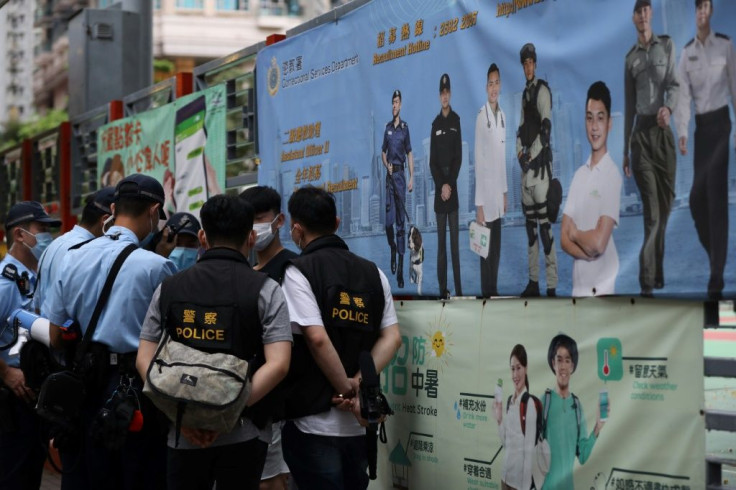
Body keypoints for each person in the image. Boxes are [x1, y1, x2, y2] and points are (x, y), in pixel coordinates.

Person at [137, 194, 292, 490]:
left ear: (202, 236)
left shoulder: (169, 288)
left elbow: (145, 359)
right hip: (245, 431)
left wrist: (184, 415)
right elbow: (279, 363)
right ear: (249, 237)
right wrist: (225, 412)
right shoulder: (266, 289)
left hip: (183, 433)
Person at [45, 174, 176, 490]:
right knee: (139, 473)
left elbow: (54, 335)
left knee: (89, 474)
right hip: (135, 388)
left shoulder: (73, 257)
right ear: (154, 211)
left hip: (83, 383)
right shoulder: (156, 267)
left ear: (115, 208)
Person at [280, 186, 401, 490]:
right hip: (360, 425)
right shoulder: (374, 273)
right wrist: (359, 384)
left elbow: (316, 338)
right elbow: (392, 338)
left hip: (313, 422)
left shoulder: (298, 271)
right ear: (336, 223)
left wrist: (346, 387)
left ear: (296, 230)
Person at [674, 0, 736, 299]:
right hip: (701, 129)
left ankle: (716, 277)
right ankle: (717, 259)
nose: (701, 12)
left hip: (722, 123)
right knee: (697, 200)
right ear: (695, 12)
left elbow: (735, 87)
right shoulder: (687, 54)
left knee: (716, 198)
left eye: (706, 7)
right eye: (697, 7)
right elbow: (683, 98)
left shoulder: (725, 46)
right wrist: (683, 132)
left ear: (710, 12)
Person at [239, 186, 296, 490]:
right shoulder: (250, 271)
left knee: (271, 480)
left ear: (280, 221)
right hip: (254, 399)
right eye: (248, 221)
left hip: (277, 401)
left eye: (260, 219)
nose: (255, 229)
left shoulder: (290, 270)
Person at [0, 201, 60, 490]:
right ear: (19, 235)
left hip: (35, 395)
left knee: (30, 475)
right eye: (41, 229)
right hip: (12, 398)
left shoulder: (36, 277)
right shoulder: (5, 281)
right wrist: (6, 373)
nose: (47, 235)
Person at [624, 0, 679, 297]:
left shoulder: (666, 47)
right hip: (641, 137)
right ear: (633, 18)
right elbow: (628, 106)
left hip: (663, 134)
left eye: (647, 10)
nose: (643, 16)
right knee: (652, 213)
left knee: (666, 209)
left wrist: (668, 108)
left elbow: (675, 84)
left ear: (651, 14)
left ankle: (656, 274)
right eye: (638, 11)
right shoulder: (629, 58)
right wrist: (623, 151)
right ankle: (646, 282)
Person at [561, 81, 622, 297]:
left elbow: (598, 243)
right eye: (589, 118)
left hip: (604, 293)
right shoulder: (578, 176)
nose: (594, 126)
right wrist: (586, 252)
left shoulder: (612, 175)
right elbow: (563, 239)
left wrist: (575, 233)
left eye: (600, 118)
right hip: (578, 292)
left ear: (609, 124)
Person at [516, 43, 557, 298]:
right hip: (527, 172)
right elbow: (520, 130)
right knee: (531, 229)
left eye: (531, 62)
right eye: (525, 63)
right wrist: (519, 153)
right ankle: (533, 282)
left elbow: (546, 129)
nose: (528, 67)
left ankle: (551, 284)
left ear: (536, 64)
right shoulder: (524, 95)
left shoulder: (542, 90)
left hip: (540, 170)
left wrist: (529, 154)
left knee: (545, 228)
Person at [34, 187, 115, 315]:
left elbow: (37, 303)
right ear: (106, 220)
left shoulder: (54, 245)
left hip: (43, 329)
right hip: (64, 332)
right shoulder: (88, 252)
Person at [542, 334, 604, 490]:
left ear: (572, 366)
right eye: (559, 360)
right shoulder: (544, 402)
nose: (563, 366)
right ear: (553, 363)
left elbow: (582, 456)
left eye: (567, 360)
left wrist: (597, 427)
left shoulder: (577, 406)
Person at [474, 63, 507, 298]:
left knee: (495, 251)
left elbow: (502, 159)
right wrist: (479, 205)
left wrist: (505, 192)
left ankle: (493, 292)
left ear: (500, 86)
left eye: (497, 83)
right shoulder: (480, 116)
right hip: (485, 197)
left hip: (498, 195)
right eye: (490, 83)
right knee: (484, 251)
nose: (493, 87)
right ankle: (485, 295)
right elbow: (479, 160)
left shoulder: (502, 117)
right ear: (486, 87)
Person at [430, 73, 463, 298]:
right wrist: (441, 185)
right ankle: (443, 290)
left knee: (454, 247)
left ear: (450, 94)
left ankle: (460, 290)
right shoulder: (435, 124)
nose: (444, 96)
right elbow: (432, 161)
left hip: (452, 191)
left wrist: (449, 185)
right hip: (440, 194)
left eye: (447, 92)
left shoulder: (456, 121)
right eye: (441, 93)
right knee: (441, 247)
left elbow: (458, 157)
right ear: (439, 95)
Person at [493, 344, 541, 490]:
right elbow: (505, 443)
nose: (515, 375)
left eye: (519, 368)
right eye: (512, 369)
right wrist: (500, 419)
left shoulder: (529, 404)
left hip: (518, 485)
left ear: (526, 369)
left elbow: (529, 454)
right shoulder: (509, 401)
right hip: (504, 478)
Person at [382, 89, 415, 289]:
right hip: (389, 178)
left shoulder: (405, 128)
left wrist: (411, 176)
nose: (394, 105)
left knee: (401, 226)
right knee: (388, 224)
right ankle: (393, 248)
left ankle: (401, 271)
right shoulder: (387, 129)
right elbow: (383, 153)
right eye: (392, 102)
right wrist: (387, 165)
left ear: (401, 105)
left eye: (397, 102)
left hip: (401, 178)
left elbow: (410, 153)